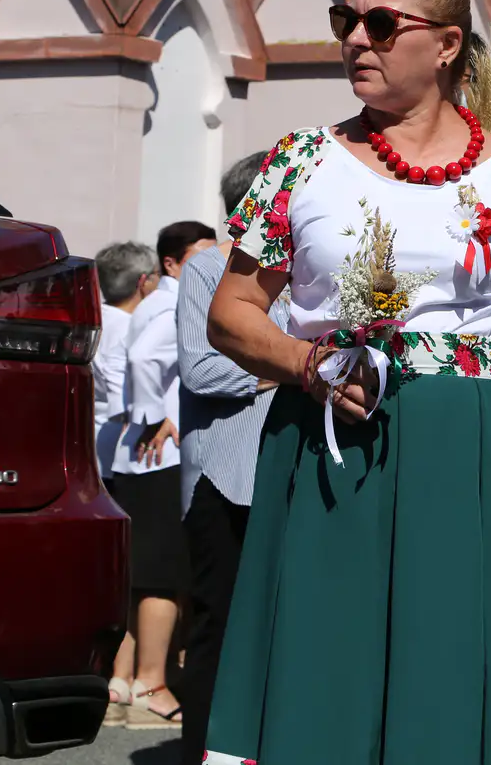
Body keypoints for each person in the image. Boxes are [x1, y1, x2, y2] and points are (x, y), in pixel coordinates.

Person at [203, 0, 491, 765]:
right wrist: (306, 363)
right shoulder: (300, 161)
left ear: (446, 44)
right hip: (331, 447)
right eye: (347, 21)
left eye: (380, 24)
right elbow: (230, 314)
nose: (355, 40)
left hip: (468, 455)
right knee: (323, 669)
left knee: (453, 666)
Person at [175, 152, 293, 765]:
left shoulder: (305, 272)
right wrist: (296, 367)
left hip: (292, 471)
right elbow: (201, 369)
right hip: (226, 476)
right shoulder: (206, 270)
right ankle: (206, 750)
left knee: (286, 627)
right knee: (219, 625)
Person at [109, 219, 217, 729]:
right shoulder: (175, 300)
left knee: (145, 574)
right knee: (162, 575)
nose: (212, 260)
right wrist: (154, 416)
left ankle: (129, 680)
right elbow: (144, 356)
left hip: (146, 454)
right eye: (201, 252)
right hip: (161, 454)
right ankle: (152, 684)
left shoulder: (163, 299)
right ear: (171, 263)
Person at [92, 240, 159, 726]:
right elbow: (126, 395)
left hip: (95, 452)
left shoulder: (93, 318)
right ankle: (126, 674)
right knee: (137, 571)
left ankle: (112, 673)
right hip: (127, 453)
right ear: (143, 282)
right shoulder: (130, 326)